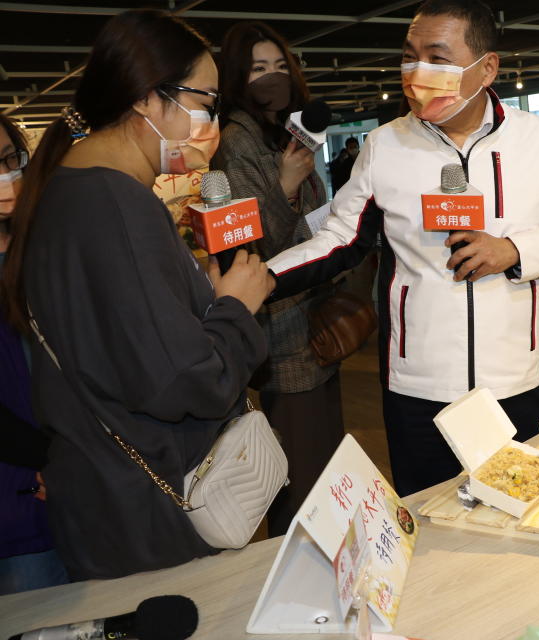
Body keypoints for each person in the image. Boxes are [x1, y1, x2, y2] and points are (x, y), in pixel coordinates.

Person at [265, 0, 539, 497]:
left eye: (439, 59)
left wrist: (514, 250)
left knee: (519, 510)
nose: (418, 73)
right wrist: (265, 278)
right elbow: (340, 239)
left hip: (515, 380)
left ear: (487, 68)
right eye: (410, 56)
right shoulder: (384, 146)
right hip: (416, 386)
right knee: (427, 519)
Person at [1, 9, 274, 580]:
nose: (210, 122)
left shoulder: (68, 188)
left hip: (105, 495)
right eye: (205, 102)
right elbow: (180, 379)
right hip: (148, 509)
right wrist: (235, 308)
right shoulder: (115, 203)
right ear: (149, 100)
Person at [212, 21, 342, 537]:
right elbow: (249, 248)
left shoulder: (288, 133)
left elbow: (317, 213)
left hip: (315, 319)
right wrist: (285, 184)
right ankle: (300, 573)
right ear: (238, 78)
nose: (272, 77)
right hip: (283, 335)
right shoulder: (236, 141)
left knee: (327, 463)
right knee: (301, 475)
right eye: (258, 69)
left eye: (279, 66)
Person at [0, 113, 69, 595]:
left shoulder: (41, 246)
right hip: (18, 497)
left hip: (73, 482)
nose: (5, 177)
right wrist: (50, 458)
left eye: (9, 160)